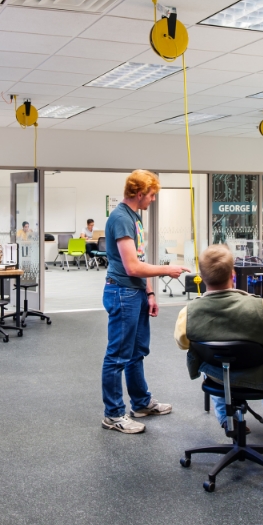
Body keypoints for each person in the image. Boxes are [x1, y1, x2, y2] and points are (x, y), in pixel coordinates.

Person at [174, 243, 263, 454]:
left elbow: (183, 344)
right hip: (262, 377)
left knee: (212, 365)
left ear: (202, 276)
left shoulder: (188, 313)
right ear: (233, 274)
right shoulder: (262, 307)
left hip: (220, 378)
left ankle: (229, 423)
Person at [101, 169, 190, 434]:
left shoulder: (134, 217)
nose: (153, 200)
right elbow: (131, 267)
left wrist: (150, 293)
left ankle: (140, 403)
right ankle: (113, 414)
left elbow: (138, 259)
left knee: (137, 352)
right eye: (151, 195)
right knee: (117, 356)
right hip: (122, 292)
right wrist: (166, 270)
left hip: (136, 293)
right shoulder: (120, 218)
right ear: (139, 194)